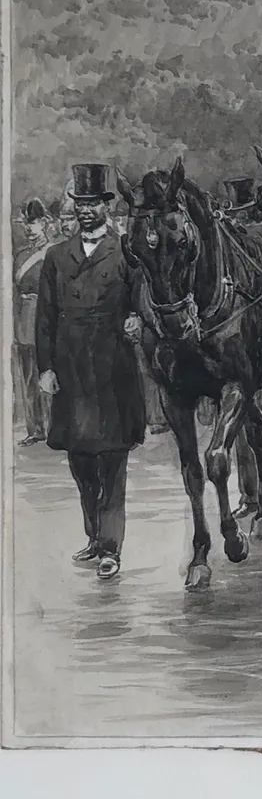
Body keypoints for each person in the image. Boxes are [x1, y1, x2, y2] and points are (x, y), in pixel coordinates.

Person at [36, 165, 146, 580]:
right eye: (79, 204)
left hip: (112, 369)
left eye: (92, 204)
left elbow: (141, 303)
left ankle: (111, 548)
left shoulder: (126, 253)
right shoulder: (56, 256)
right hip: (71, 370)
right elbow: (44, 317)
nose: (84, 211)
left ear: (106, 207)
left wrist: (138, 320)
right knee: (80, 462)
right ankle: (94, 536)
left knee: (113, 461)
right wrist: (45, 368)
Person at [15, 198, 54, 446]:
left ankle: (53, 428)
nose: (30, 228)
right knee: (28, 376)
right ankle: (35, 428)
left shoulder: (54, 252)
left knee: (49, 373)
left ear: (46, 224)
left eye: (35, 222)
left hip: (47, 317)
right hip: (25, 319)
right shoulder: (19, 256)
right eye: (27, 223)